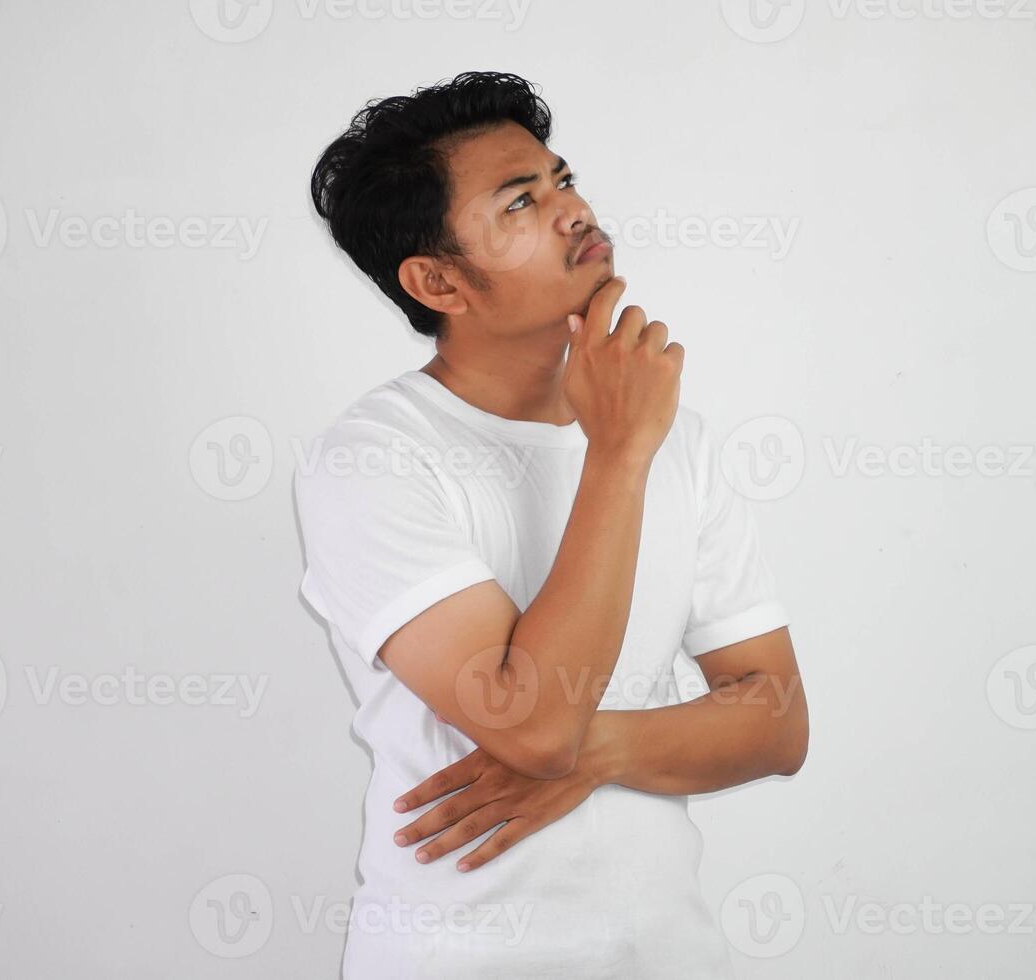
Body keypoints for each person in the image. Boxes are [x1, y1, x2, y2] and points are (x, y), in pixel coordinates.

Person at [297, 70, 808, 979]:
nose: (574, 210)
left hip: (671, 954)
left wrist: (600, 749)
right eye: (521, 203)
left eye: (563, 179)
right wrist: (616, 454)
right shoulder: (373, 458)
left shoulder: (671, 438)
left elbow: (776, 722)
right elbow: (530, 727)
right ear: (438, 280)